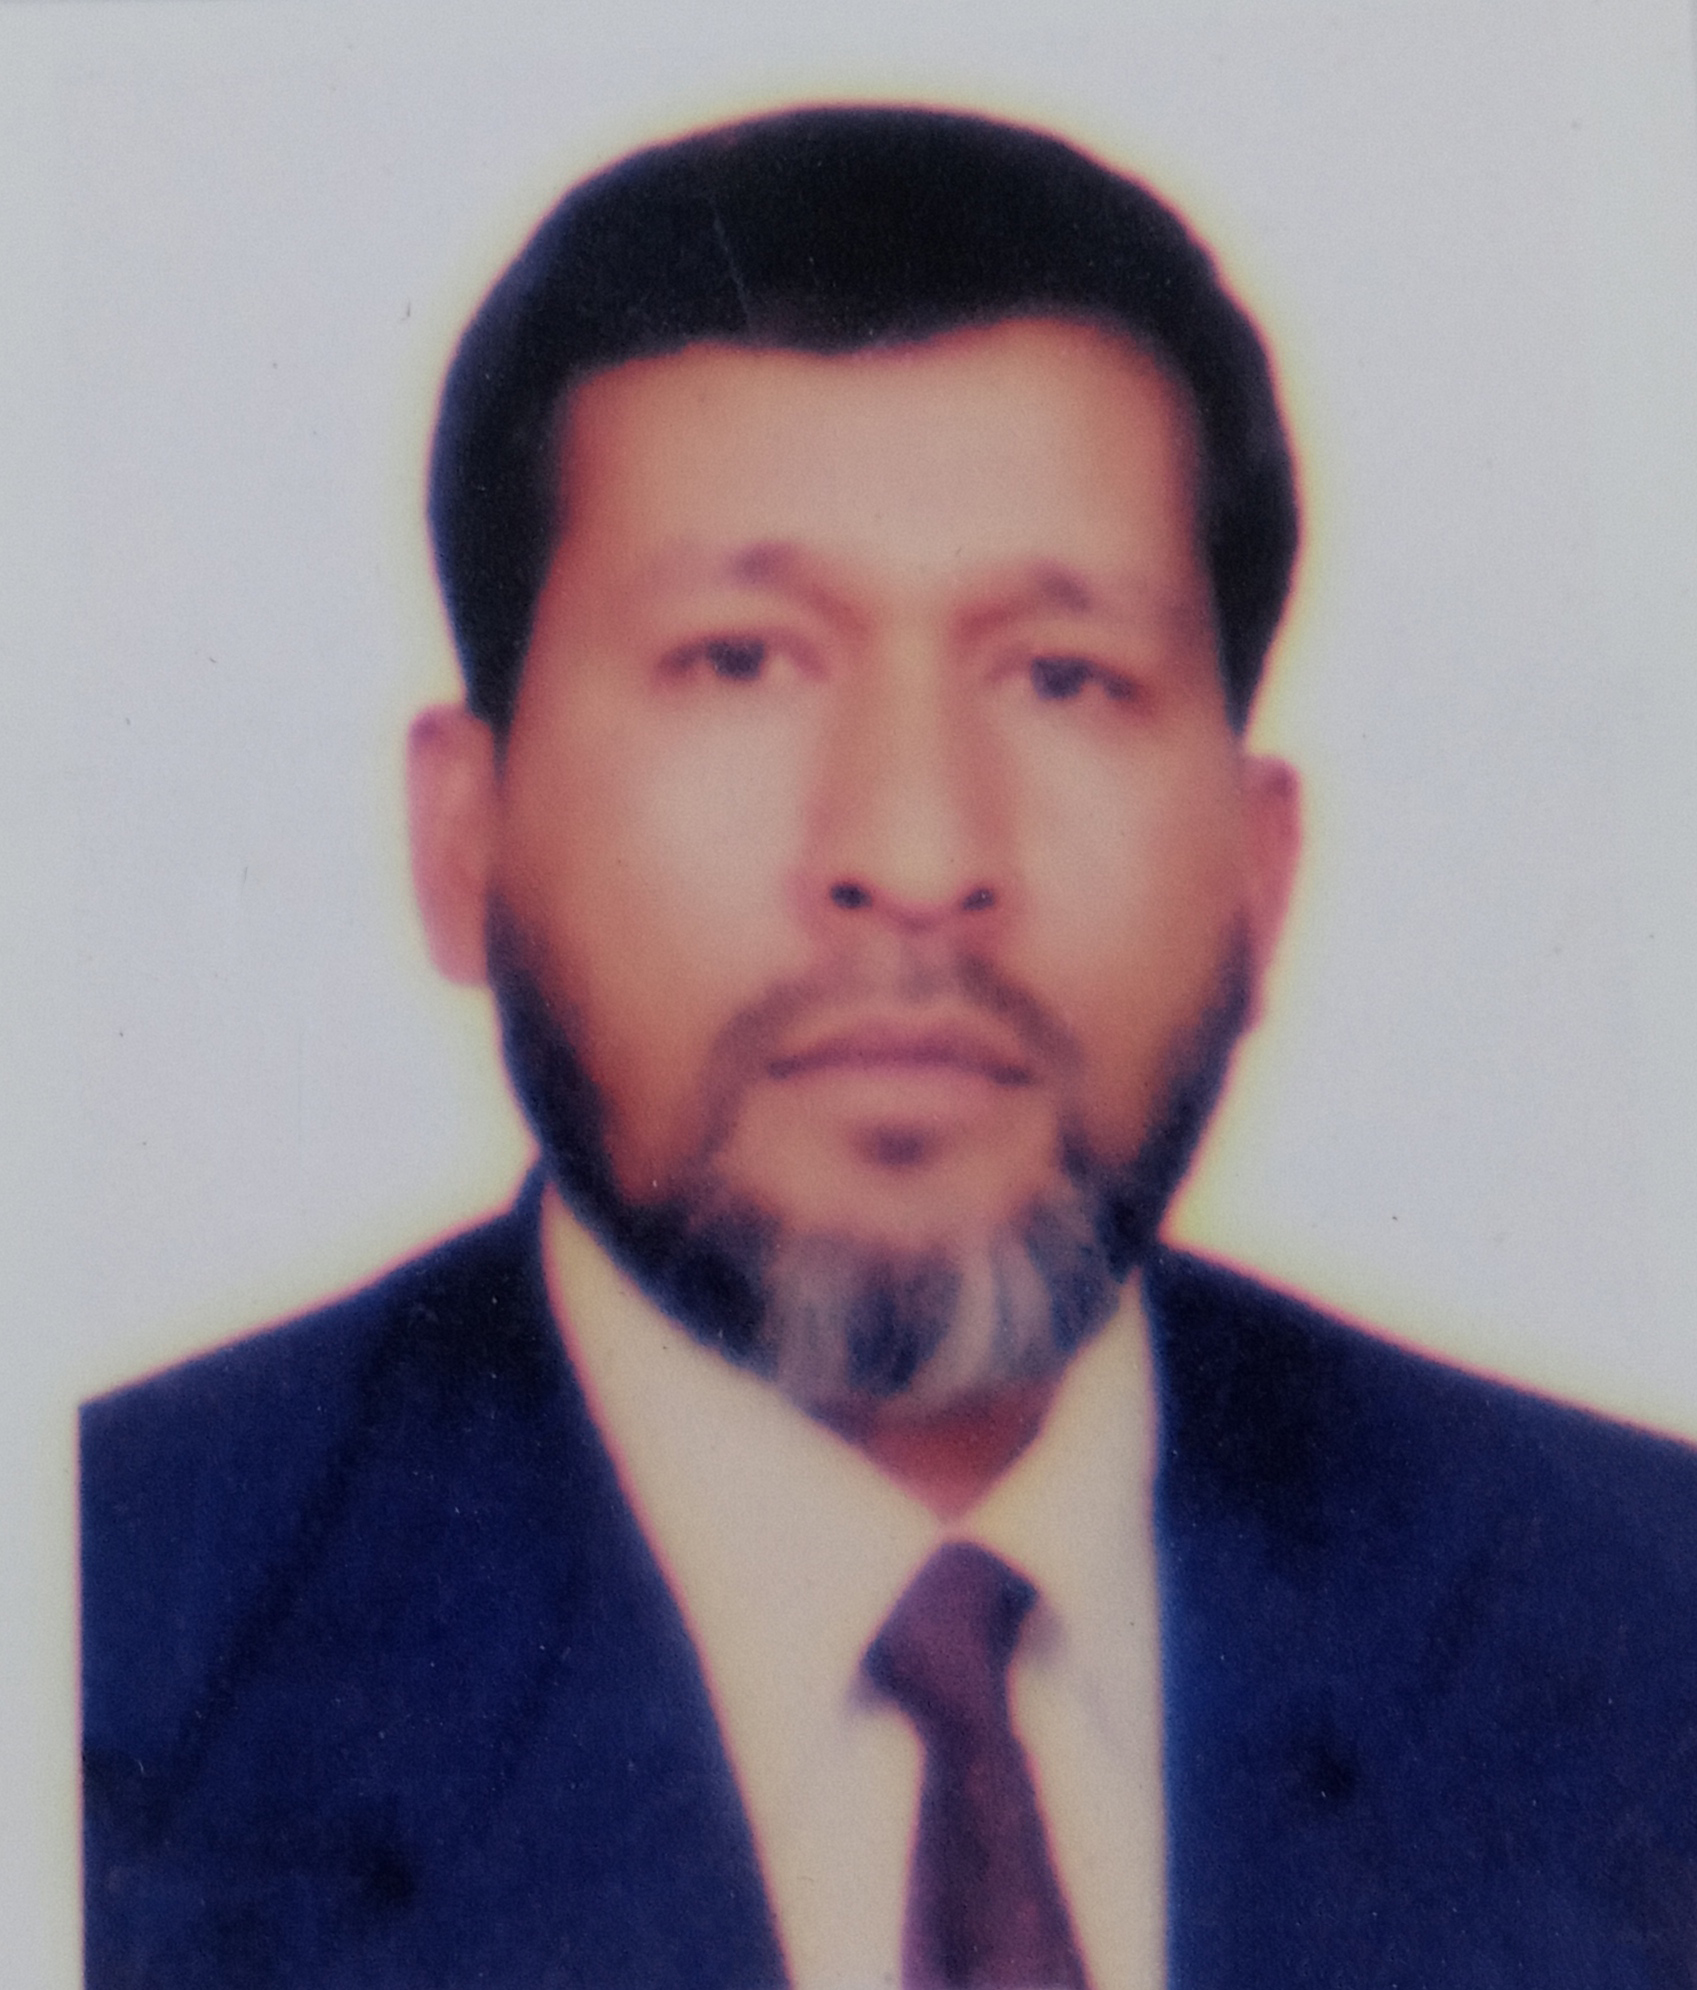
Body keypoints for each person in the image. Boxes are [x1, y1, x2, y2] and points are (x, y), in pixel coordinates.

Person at [80, 104, 1697, 1990]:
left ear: (1259, 872)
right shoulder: (106, 1641)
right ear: (463, 835)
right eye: (741, 661)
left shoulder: (1642, 1631)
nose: (917, 856)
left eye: (1064, 677)